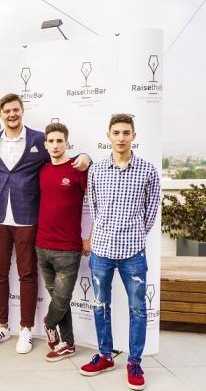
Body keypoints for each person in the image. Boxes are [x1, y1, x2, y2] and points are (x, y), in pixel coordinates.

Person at [0, 93, 89, 354]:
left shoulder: (40, 139)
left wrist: (86, 156)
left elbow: (63, 158)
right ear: (0, 114)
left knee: (28, 274)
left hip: (28, 217)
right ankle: (1, 325)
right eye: (7, 111)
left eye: (15, 109)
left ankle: (26, 329)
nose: (12, 114)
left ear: (22, 111)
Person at [79, 114, 160, 391]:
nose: (121, 137)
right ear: (109, 135)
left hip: (133, 252)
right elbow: (94, 207)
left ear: (134, 136)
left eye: (126, 132)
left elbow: (151, 211)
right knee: (100, 305)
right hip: (101, 250)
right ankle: (105, 356)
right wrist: (105, 231)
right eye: (116, 132)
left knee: (138, 309)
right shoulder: (97, 170)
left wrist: (134, 233)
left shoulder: (148, 170)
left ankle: (134, 362)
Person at [35, 123, 89, 362]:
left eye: (60, 141)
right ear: (45, 144)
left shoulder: (79, 168)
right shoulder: (42, 169)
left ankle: (49, 323)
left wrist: (90, 237)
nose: (55, 145)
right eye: (51, 141)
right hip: (41, 246)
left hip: (68, 249)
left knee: (61, 299)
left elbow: (97, 205)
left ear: (67, 143)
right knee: (59, 300)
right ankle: (68, 344)